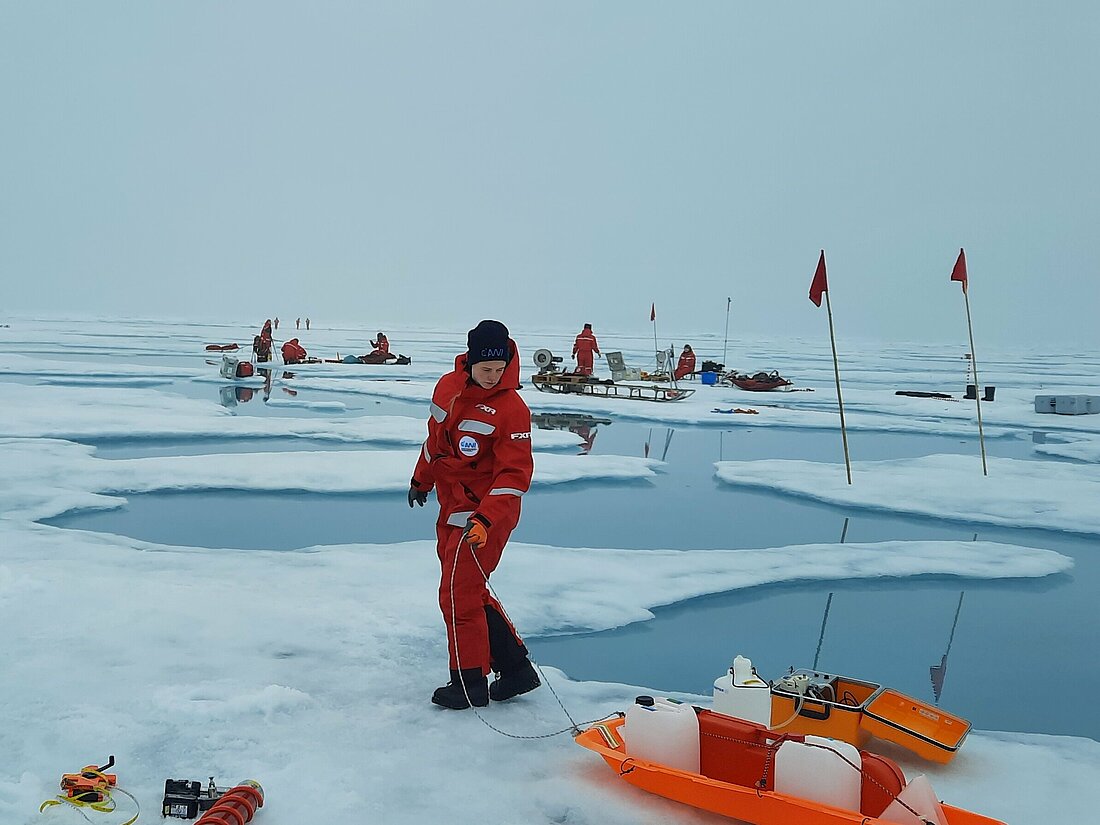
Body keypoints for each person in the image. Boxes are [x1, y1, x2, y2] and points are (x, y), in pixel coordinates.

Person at [408, 320, 541, 710]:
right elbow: (436, 444)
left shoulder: (513, 409)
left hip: (486, 518)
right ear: (470, 362)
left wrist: (485, 520)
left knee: (457, 594)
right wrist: (421, 480)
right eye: (486, 370)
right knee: (467, 591)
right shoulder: (448, 389)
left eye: (500, 370)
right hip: (451, 511)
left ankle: (468, 684)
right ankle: (515, 669)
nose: (493, 377)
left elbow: (514, 475)